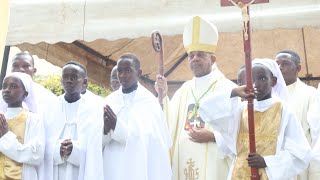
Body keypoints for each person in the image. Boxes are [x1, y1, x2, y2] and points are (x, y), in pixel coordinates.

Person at [199, 58, 311, 180]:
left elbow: (301, 153)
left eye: (262, 78)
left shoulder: (283, 110)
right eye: (250, 80)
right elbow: (206, 108)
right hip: (239, 174)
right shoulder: (241, 109)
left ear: (273, 81)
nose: (255, 84)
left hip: (270, 173)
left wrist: (267, 162)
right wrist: (234, 92)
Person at [155, 16, 236, 180]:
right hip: (182, 160)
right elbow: (168, 125)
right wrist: (162, 98)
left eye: (200, 54)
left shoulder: (228, 90)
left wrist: (214, 137)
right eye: (191, 55)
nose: (195, 59)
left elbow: (240, 132)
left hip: (214, 164)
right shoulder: (184, 90)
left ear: (212, 59)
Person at [102, 53, 171, 180]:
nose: (122, 75)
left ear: (139, 72)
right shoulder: (108, 101)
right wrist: (105, 131)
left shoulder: (149, 102)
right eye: (120, 71)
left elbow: (152, 141)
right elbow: (96, 142)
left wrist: (117, 128)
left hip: (138, 168)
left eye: (128, 71)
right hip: (112, 167)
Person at [40, 61, 103, 180]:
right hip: (54, 170)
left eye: (74, 77)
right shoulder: (49, 107)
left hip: (80, 171)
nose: (69, 81)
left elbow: (96, 146)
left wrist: (74, 150)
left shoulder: (94, 109)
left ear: (84, 83)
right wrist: (57, 149)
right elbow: (42, 140)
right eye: (65, 77)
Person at [275, 50, 317, 180]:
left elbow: (316, 137)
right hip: (274, 164)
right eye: (277, 64)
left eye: (285, 64)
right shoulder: (268, 95)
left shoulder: (311, 94)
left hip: (301, 164)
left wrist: (315, 173)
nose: (280, 68)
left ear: (298, 68)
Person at [0, 72, 45, 180]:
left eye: (13, 86)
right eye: (4, 86)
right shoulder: (1, 117)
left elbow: (36, 155)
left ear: (25, 93)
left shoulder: (33, 119)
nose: (7, 90)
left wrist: (5, 137)